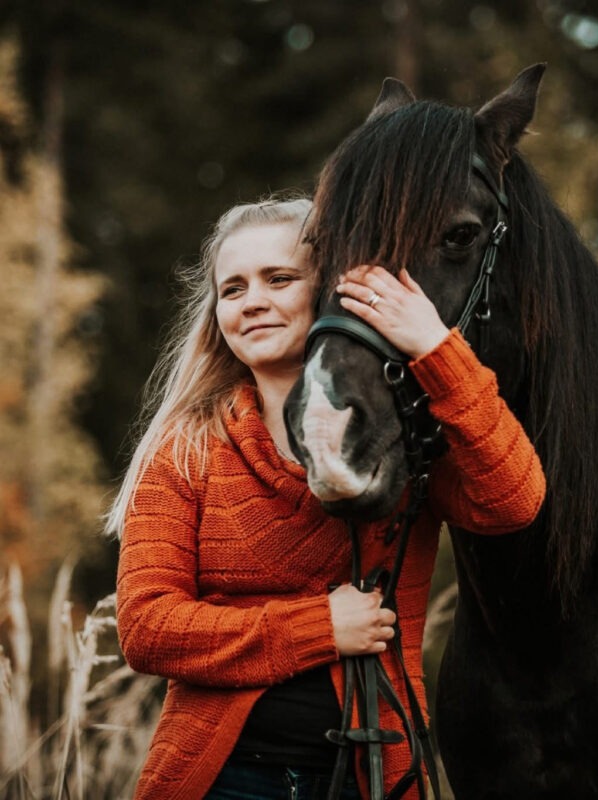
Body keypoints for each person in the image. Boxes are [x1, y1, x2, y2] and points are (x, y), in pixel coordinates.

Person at [109, 194, 547, 800]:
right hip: (219, 779)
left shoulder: (401, 436)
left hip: (376, 775)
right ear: (217, 315)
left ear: (327, 290)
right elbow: (146, 626)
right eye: (232, 290)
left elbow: (512, 500)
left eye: (279, 279)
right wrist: (320, 626)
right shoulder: (186, 447)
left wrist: (437, 349)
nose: (253, 300)